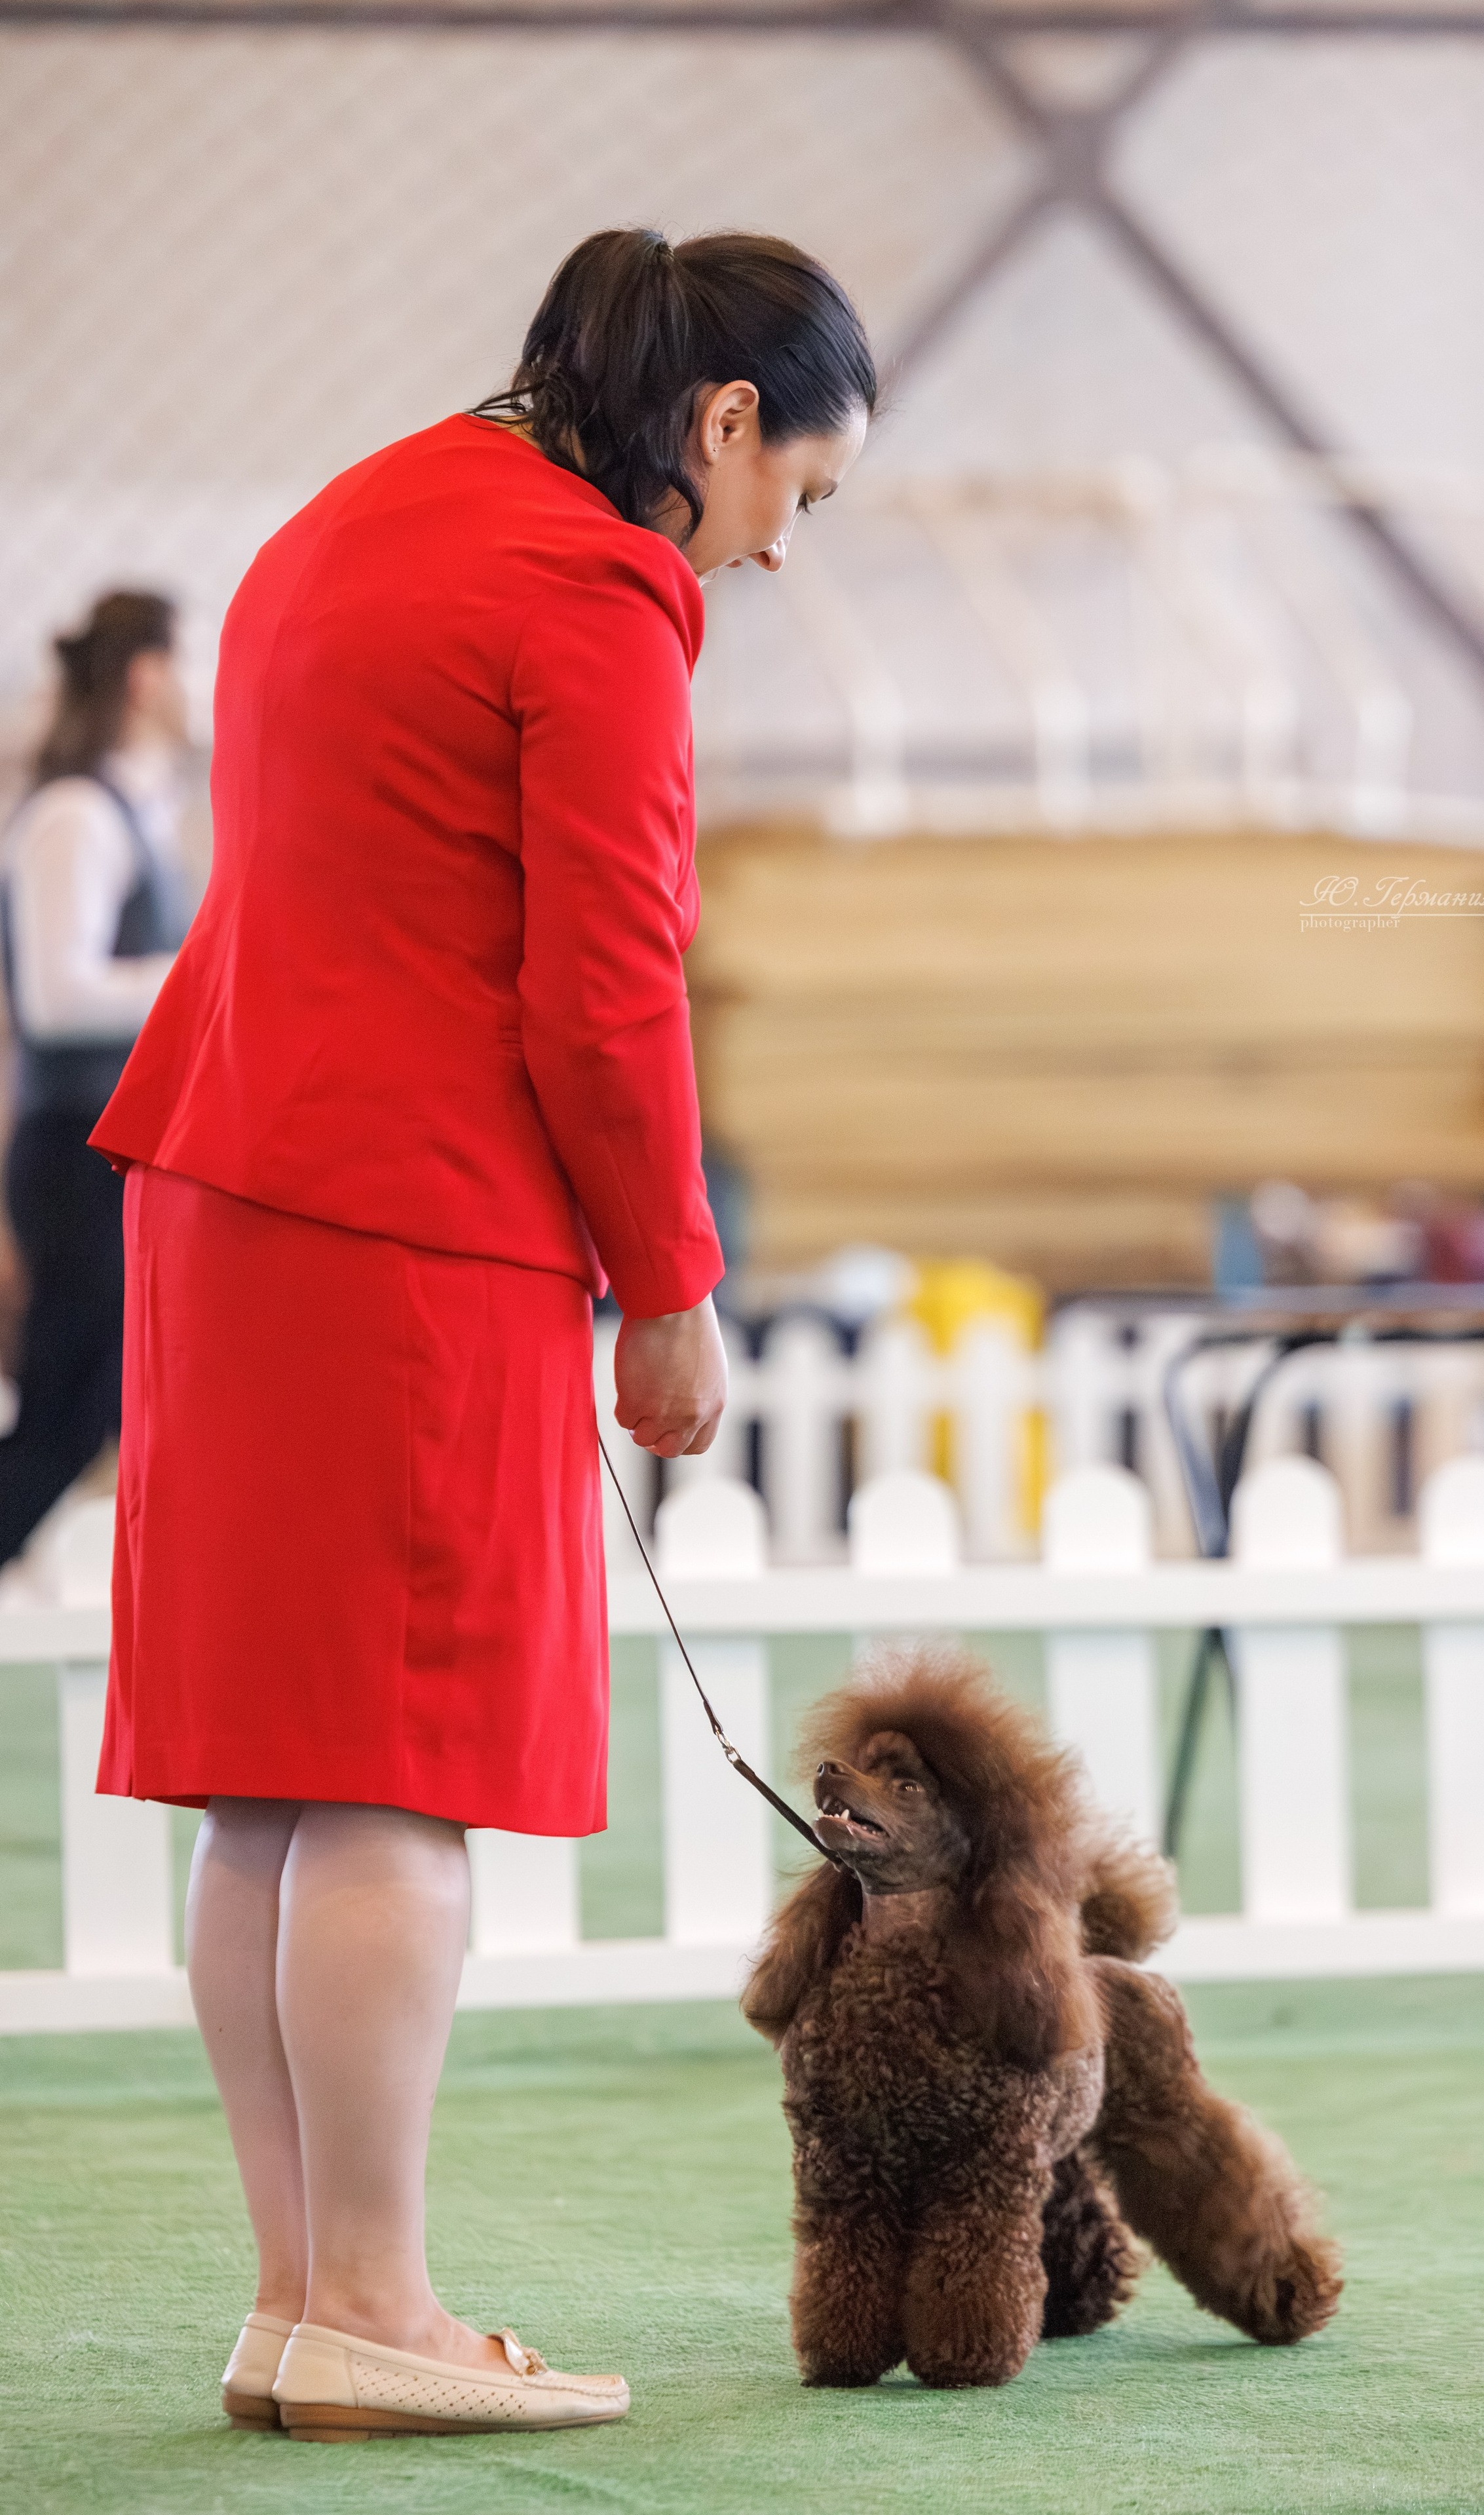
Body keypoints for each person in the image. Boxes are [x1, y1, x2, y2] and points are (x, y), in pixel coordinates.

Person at [90, 228, 874, 2442]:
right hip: (406, 1214)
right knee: (399, 1782)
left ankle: (298, 2300)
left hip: (224, 1182)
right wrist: (671, 1276)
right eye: (796, 495)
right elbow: (605, 981)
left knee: (268, 1786)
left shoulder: (361, 507)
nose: (777, 551)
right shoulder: (599, 590)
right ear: (721, 426)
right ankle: (380, 2302)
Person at [0, 591, 191, 1569]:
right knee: (64, 1420)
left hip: (100, 1148)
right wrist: (207, 975)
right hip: (72, 1150)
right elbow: (56, 994)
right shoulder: (76, 813)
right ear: (147, 675)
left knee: (103, 1403)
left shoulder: (125, 811)